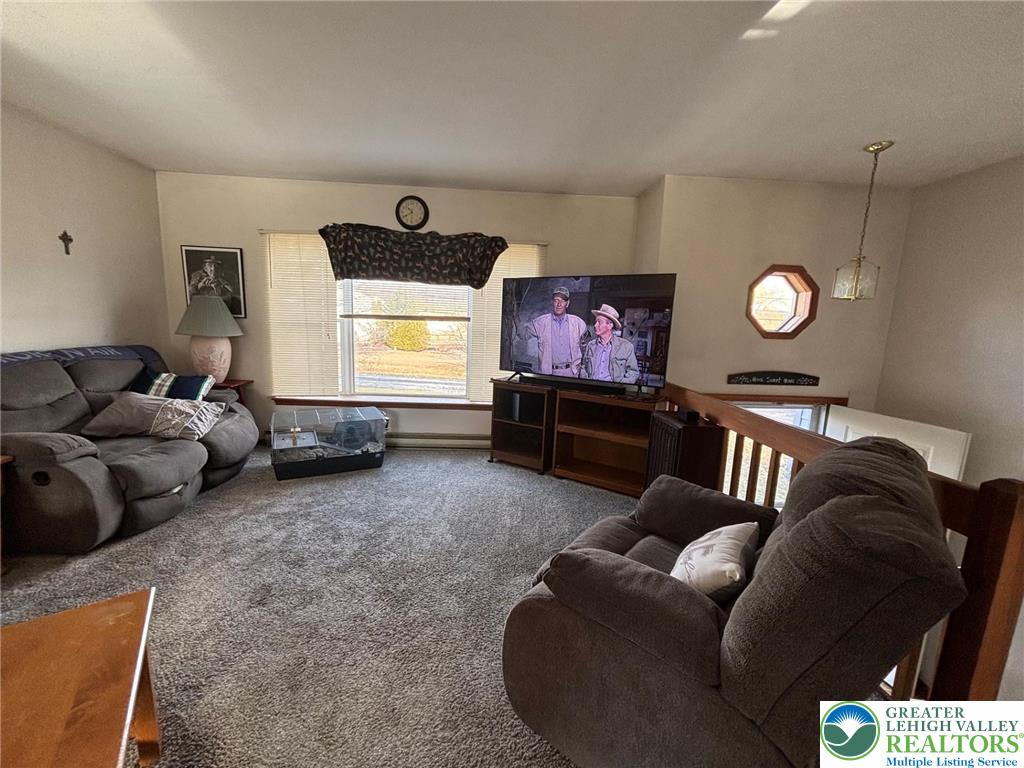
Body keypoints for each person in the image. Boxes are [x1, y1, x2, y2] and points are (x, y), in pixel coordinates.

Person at [524, 287, 588, 377]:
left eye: (562, 301)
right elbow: (523, 335)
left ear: (567, 303)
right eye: (556, 300)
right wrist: (515, 320)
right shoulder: (541, 322)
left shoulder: (578, 323)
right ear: (552, 302)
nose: (559, 304)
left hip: (571, 372)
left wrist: (582, 366)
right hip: (548, 373)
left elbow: (586, 345)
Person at [581, 304, 639, 384]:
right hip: (592, 390)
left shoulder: (626, 347)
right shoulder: (591, 345)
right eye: (595, 322)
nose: (595, 325)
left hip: (612, 394)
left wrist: (619, 386)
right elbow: (584, 367)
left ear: (610, 325)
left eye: (599, 322)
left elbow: (633, 372)